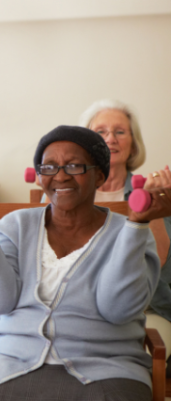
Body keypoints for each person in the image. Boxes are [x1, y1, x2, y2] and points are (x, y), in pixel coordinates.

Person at [0, 125, 171, 401]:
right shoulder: (15, 226)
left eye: (74, 166)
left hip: (108, 369)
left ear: (99, 174)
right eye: (49, 167)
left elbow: (119, 310)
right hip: (11, 368)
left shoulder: (132, 233)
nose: (60, 176)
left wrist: (137, 225)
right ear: (39, 176)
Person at [79, 99, 171, 368]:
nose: (110, 139)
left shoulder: (151, 190)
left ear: (132, 142)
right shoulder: (70, 192)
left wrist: (153, 206)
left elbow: (160, 259)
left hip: (144, 306)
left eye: (120, 131)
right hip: (82, 302)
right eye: (100, 132)